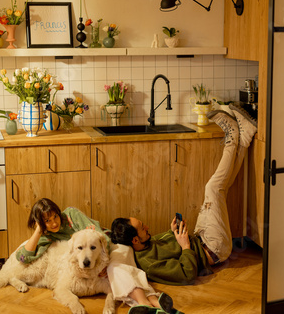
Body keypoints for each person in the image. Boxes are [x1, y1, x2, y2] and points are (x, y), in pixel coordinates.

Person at [111, 104, 258, 285]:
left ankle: (244, 138)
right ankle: (232, 137)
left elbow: (168, 248)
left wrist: (173, 232)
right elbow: (186, 274)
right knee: (213, 188)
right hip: (213, 248)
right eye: (142, 227)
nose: (147, 226)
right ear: (135, 240)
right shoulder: (148, 264)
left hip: (200, 235)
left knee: (220, 189)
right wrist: (185, 246)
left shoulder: (144, 244)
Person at [17, 198, 170, 310]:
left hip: (106, 246)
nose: (54, 223)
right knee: (114, 276)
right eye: (48, 221)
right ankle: (142, 304)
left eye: (55, 217)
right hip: (90, 257)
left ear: (59, 212)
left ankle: (150, 296)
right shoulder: (47, 235)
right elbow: (23, 257)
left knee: (117, 268)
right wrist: (38, 230)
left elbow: (96, 232)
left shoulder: (71, 214)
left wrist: (105, 260)